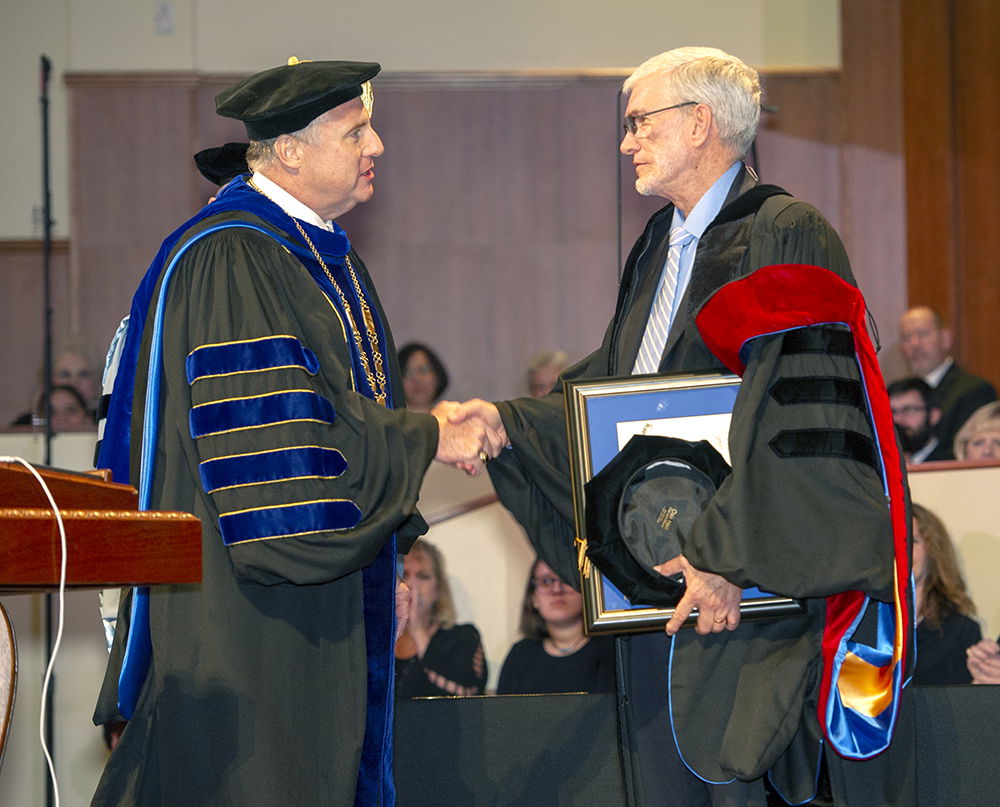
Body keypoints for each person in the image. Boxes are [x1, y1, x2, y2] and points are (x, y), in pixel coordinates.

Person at [449, 47, 909, 806]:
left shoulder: (785, 231)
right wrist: (504, 422)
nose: (627, 141)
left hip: (746, 602)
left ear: (700, 123)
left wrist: (727, 556)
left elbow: (801, 417)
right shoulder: (658, 246)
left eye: (638, 122)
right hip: (662, 591)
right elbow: (618, 388)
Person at [91, 58, 499, 807]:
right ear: (289, 150)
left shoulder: (313, 253)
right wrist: (425, 436)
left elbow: (341, 416)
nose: (377, 146)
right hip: (257, 627)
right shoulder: (234, 255)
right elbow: (277, 472)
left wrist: (393, 528)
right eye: (356, 130)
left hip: (319, 610)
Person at [496, 558, 614, 695]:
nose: (557, 589)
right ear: (533, 598)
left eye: (565, 578)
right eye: (546, 581)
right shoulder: (521, 655)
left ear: (586, 588)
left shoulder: (612, 649)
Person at [394, 539, 487, 698]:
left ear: (438, 589)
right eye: (404, 575)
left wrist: (417, 630)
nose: (411, 584)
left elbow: (468, 695)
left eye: (423, 576)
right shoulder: (375, 641)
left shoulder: (463, 638)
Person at [898, 305, 997, 452]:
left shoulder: (975, 391)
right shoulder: (895, 395)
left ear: (945, 338)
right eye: (907, 337)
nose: (915, 344)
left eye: (922, 334)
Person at [910, 504, 981, 684]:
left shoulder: (961, 630)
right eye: (892, 541)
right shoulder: (860, 624)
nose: (900, 552)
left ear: (933, 550)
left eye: (912, 541)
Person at [887, 377, 951, 462]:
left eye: (909, 409)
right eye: (892, 412)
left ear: (934, 415)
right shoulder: (880, 464)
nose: (897, 419)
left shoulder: (950, 463)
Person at [398, 342, 449, 413]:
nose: (417, 379)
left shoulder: (453, 418)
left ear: (438, 375)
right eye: (408, 373)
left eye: (424, 370)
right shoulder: (387, 422)